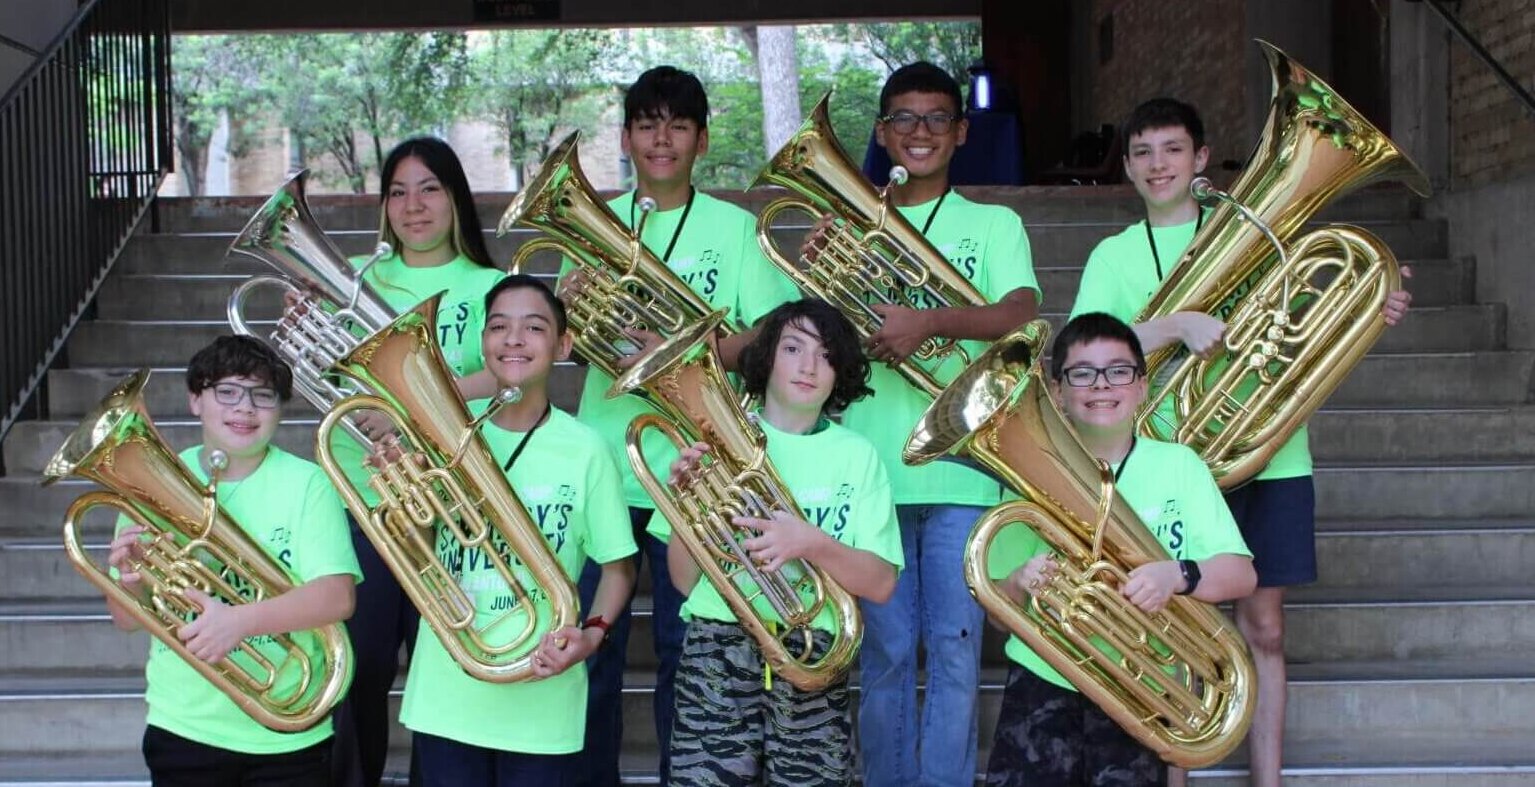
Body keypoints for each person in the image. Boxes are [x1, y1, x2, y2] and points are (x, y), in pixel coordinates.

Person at [1069, 97, 1414, 787]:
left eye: (1171, 149)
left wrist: (1374, 302)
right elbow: (1080, 352)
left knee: (1265, 629)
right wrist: (1171, 327)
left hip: (1267, 449)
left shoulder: (1253, 231)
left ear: (1200, 159)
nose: (1156, 164)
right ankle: (1174, 773)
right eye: (1141, 152)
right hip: (1167, 459)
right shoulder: (1111, 255)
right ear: (1128, 167)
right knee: (1171, 628)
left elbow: (1302, 318)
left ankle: (1267, 779)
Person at [556, 64, 799, 787]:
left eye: (678, 124)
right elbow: (560, 344)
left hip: (692, 463)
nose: (661, 138)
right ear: (627, 137)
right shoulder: (589, 225)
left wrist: (678, 351)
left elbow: (770, 333)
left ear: (700, 139)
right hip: (601, 456)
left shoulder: (733, 229)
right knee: (588, 646)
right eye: (647, 123)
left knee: (679, 643)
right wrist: (565, 309)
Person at [805, 61, 1040, 787]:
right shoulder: (853, 224)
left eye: (936, 118)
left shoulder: (993, 222)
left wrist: (928, 322)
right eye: (902, 119)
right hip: (872, 466)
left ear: (961, 131)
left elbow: (1016, 313)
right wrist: (819, 273)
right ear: (882, 132)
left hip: (963, 469)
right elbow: (819, 335)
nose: (919, 132)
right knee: (884, 650)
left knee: (953, 645)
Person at [983, 312, 1257, 787]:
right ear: (1057, 392)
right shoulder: (1025, 477)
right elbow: (995, 613)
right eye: (1082, 373)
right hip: (1044, 679)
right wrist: (1018, 583)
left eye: (1118, 371)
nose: (1101, 385)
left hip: (1142, 688)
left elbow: (1240, 574)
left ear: (1142, 387)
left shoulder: (1180, 467)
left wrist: (1178, 575)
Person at [398, 274, 637, 786]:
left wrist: (592, 636)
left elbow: (618, 568)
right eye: (499, 326)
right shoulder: (443, 436)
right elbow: (417, 556)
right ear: (482, 341)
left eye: (534, 327)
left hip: (543, 697)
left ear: (563, 345)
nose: (513, 339)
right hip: (448, 692)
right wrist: (404, 495)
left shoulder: (586, 449)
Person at [320, 135, 508, 787]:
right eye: (397, 192)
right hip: (364, 499)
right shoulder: (350, 278)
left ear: (455, 197)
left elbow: (514, 375)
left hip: (453, 501)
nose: (413, 205)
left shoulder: (491, 285)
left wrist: (416, 403)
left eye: (429, 188)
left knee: (448, 662)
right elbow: (321, 369)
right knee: (361, 666)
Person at [653, 298, 902, 787]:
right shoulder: (720, 442)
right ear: (766, 359)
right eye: (793, 348)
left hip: (814, 648)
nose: (808, 366)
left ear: (841, 373)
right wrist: (687, 508)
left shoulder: (857, 456)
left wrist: (808, 541)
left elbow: (880, 583)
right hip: (717, 649)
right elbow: (684, 581)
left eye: (826, 355)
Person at [104, 335, 361, 785]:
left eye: (263, 395)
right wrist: (130, 582)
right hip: (183, 724)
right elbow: (127, 621)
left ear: (280, 410)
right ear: (194, 400)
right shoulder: (145, 483)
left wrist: (239, 621)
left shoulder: (308, 484)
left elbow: (336, 597)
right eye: (226, 391)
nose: (244, 407)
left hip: (285, 728)